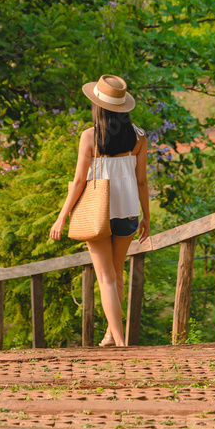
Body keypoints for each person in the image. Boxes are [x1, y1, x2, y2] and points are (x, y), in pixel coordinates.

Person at [49, 74, 150, 348]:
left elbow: (80, 181)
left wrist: (62, 216)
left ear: (98, 106)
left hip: (97, 213)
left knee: (105, 278)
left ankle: (120, 342)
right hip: (128, 213)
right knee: (116, 275)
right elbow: (142, 181)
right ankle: (111, 334)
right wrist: (147, 217)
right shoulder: (140, 137)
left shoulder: (90, 137)